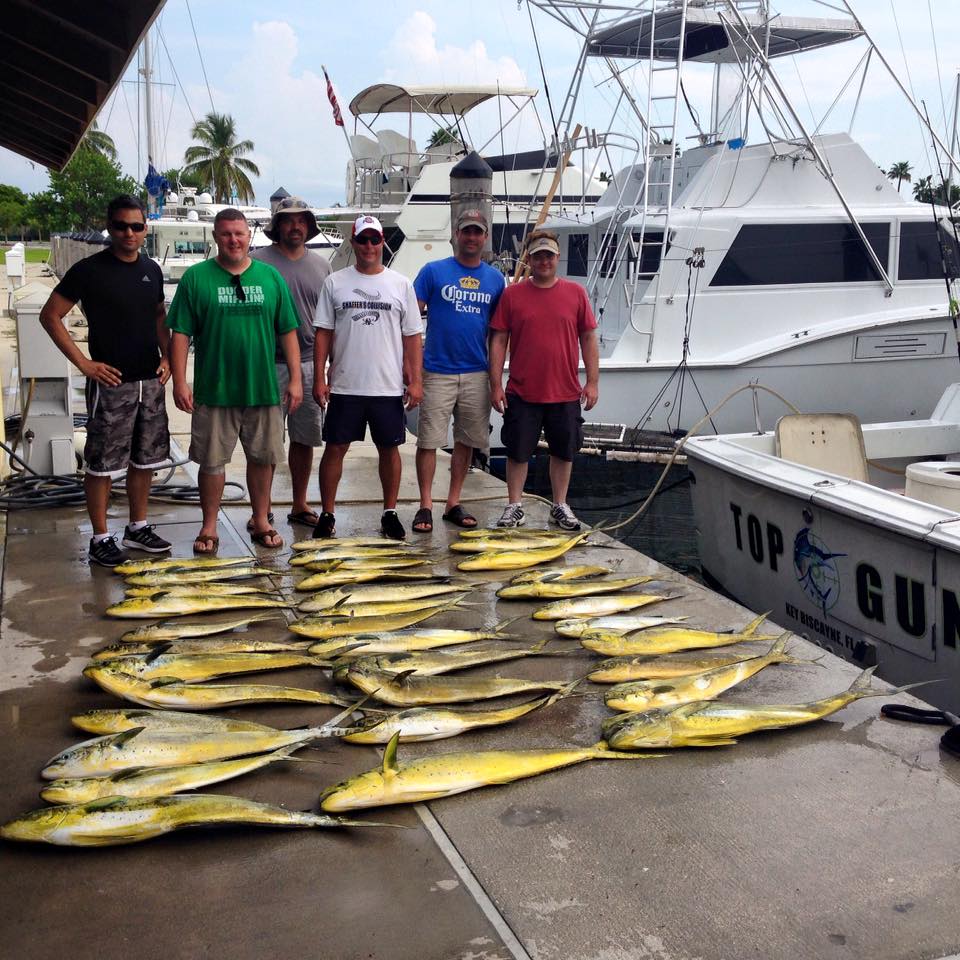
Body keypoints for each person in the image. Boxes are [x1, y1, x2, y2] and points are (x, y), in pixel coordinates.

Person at [39, 194, 172, 567]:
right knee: (101, 464)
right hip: (111, 383)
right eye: (121, 226)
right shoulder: (89, 270)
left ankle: (137, 526)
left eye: (136, 226)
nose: (129, 233)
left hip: (150, 381)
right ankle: (100, 538)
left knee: (145, 461)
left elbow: (160, 316)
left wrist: (168, 359)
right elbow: (51, 316)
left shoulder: (152, 269)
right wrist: (84, 363)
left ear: (145, 229)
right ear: (109, 227)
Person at [167, 209, 302, 553]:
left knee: (263, 459)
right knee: (211, 463)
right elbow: (180, 333)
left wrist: (296, 379)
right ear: (216, 237)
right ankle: (209, 526)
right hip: (215, 390)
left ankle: (261, 520)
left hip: (263, 389)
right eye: (226, 234)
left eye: (239, 233)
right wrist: (180, 381)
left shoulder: (270, 278)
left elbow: (287, 331)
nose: (233, 240)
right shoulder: (196, 278)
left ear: (248, 236)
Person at [312, 214, 423, 540]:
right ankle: (328, 513)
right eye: (364, 240)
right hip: (345, 385)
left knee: (390, 450)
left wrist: (415, 380)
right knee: (335, 448)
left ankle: (389, 512)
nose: (370, 246)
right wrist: (320, 377)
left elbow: (413, 336)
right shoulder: (335, 282)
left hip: (387, 386)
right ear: (354, 241)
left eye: (376, 240)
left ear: (382, 243)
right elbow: (323, 333)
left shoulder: (400, 284)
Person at [489, 229, 599, 530]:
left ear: (557, 257)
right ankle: (514, 505)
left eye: (548, 255)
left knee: (564, 451)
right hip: (523, 391)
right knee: (517, 450)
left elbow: (588, 337)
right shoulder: (512, 294)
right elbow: (498, 339)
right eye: (537, 255)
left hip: (564, 391)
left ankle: (560, 505)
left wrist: (592, 382)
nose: (543, 260)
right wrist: (495, 384)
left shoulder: (576, 293)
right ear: (529, 258)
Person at [411, 209, 505, 533]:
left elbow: (498, 334)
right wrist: (411, 370)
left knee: (466, 441)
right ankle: (425, 504)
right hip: (437, 370)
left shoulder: (495, 279)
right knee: (428, 441)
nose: (471, 237)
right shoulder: (432, 271)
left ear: (485, 236)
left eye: (477, 232)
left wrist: (497, 382)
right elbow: (410, 320)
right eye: (466, 231)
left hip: (477, 372)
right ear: (456, 234)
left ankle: (452, 501)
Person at [251, 196, 331, 529]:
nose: (295, 226)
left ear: (308, 227)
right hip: (268, 365)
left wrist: (329, 370)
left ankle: (300, 503)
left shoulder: (322, 265)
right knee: (266, 443)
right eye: (288, 220)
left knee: (304, 439)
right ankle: (262, 510)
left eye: (301, 221)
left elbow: (329, 322)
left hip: (311, 364)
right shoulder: (256, 262)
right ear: (277, 226)